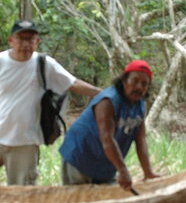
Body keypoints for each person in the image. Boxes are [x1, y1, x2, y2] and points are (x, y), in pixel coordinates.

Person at [0, 19, 100, 185]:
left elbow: (73, 83)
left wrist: (105, 93)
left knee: (23, 194)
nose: (25, 44)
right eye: (21, 39)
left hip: (25, 144)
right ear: (11, 40)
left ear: (37, 42)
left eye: (30, 40)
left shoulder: (44, 65)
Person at [59, 59, 160, 191]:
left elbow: (140, 141)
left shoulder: (140, 105)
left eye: (144, 84)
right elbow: (107, 139)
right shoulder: (108, 100)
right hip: (80, 155)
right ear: (124, 81)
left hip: (104, 163)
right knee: (78, 201)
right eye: (135, 81)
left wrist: (148, 172)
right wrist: (123, 171)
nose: (139, 87)